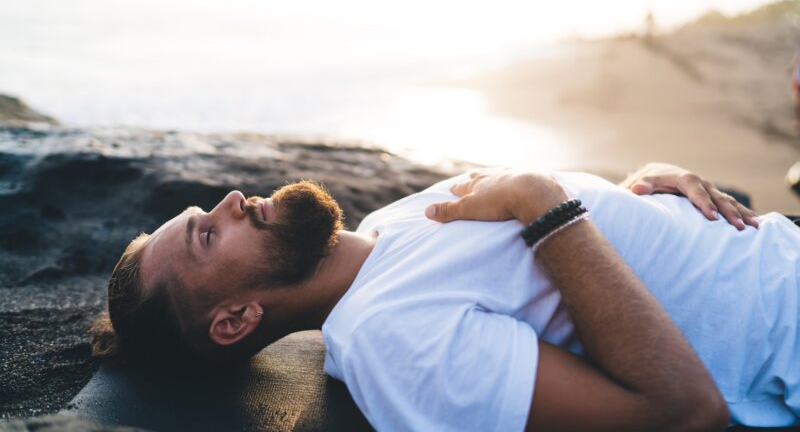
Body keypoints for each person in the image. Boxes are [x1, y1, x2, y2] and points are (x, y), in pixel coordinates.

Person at [92, 161, 800, 431]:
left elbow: (588, 248)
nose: (232, 200)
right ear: (237, 320)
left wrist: (643, 183)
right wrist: (541, 202)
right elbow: (680, 411)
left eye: (204, 215)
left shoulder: (386, 226)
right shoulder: (389, 339)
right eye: (208, 237)